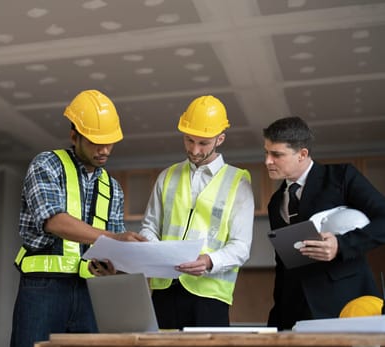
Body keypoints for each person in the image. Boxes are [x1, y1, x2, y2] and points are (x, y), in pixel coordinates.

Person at [9, 89, 146, 347]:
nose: (104, 149)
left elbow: (113, 249)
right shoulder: (47, 164)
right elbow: (53, 221)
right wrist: (115, 238)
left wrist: (113, 266)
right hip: (43, 289)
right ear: (74, 136)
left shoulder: (112, 187)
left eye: (110, 141)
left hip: (92, 292)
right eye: (96, 141)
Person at [139, 95, 254, 329]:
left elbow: (241, 246)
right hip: (164, 290)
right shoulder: (167, 176)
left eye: (203, 143)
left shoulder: (238, 182)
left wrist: (210, 261)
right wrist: (157, 250)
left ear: (220, 139)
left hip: (210, 295)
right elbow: (149, 226)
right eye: (189, 140)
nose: (194, 149)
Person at [263, 116, 385, 330]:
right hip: (295, 313)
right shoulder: (275, 202)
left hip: (348, 304)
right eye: (267, 152)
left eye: (277, 155)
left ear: (302, 154)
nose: (267, 161)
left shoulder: (342, 177)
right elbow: (283, 264)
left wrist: (341, 245)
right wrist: (276, 320)